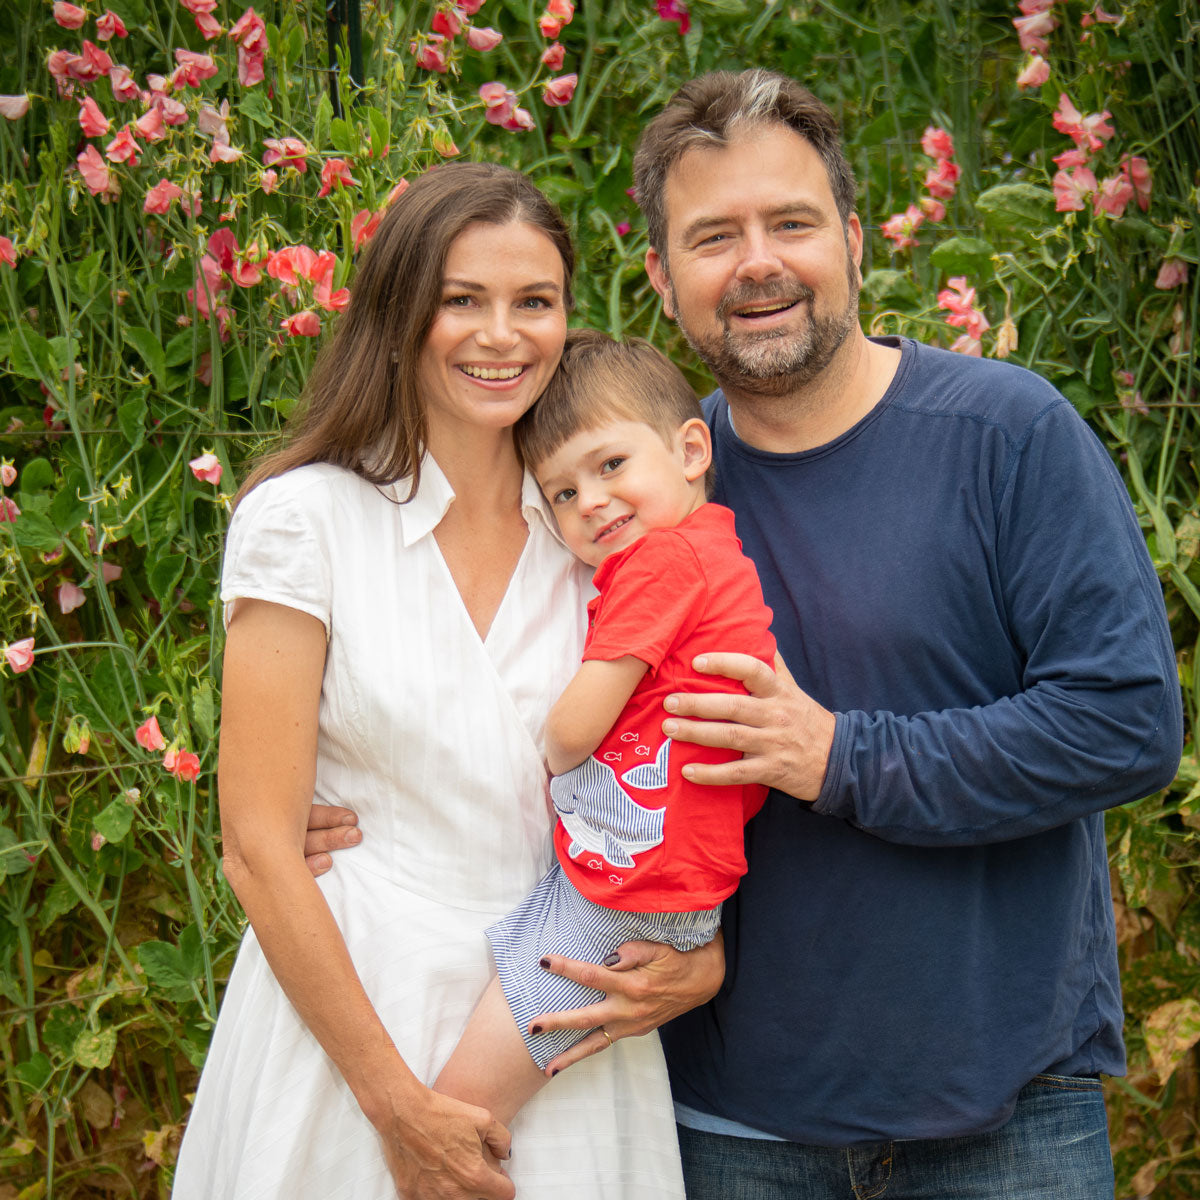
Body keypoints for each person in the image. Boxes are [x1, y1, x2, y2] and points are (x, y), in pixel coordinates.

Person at [304, 69, 1184, 1197]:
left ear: (855, 240)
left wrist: (839, 757)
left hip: (999, 1119)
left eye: (792, 223)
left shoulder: (1007, 438)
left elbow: (1126, 726)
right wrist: (360, 799)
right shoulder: (618, 483)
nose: (758, 261)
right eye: (714, 236)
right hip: (727, 1131)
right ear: (663, 280)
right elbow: (494, 673)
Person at [172, 163, 692, 1200]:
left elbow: (689, 766)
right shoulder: (305, 520)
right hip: (356, 1021)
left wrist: (698, 952)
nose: (501, 335)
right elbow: (259, 845)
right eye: (463, 300)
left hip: (564, 1013)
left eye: (533, 303)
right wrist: (395, 1106)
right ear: (401, 312)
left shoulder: (598, 535)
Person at [433, 330, 776, 1123]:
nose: (589, 501)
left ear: (692, 449)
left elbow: (576, 729)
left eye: (611, 465)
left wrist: (550, 746)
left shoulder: (664, 563)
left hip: (630, 889)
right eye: (560, 492)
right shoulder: (707, 551)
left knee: (461, 1110)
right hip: (635, 877)